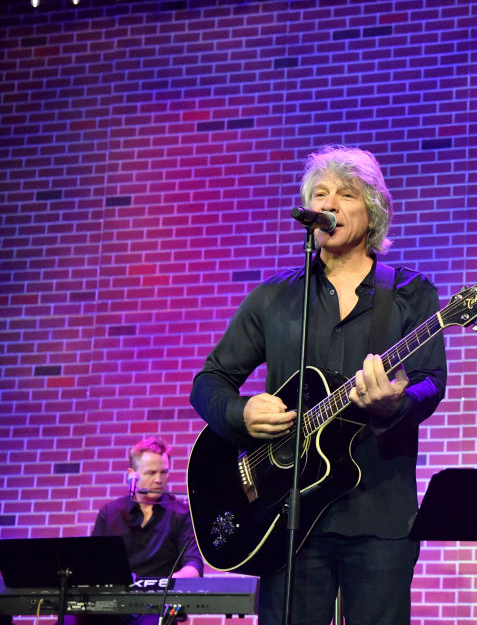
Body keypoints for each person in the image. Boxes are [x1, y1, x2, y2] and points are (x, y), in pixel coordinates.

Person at [189, 145, 447, 625]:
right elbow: (210, 382)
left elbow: (431, 383)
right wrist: (239, 414)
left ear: (371, 211)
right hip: (284, 519)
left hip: (380, 516)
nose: (329, 203)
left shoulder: (411, 292)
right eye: (319, 194)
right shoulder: (274, 296)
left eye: (345, 194)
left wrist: (395, 405)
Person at [87, 437, 203, 625]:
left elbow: (193, 566)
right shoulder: (110, 513)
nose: (158, 480)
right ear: (132, 474)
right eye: (151, 473)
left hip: (156, 608)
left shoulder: (182, 514)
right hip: (110, 607)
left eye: (163, 472)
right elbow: (93, 565)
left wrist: (165, 584)